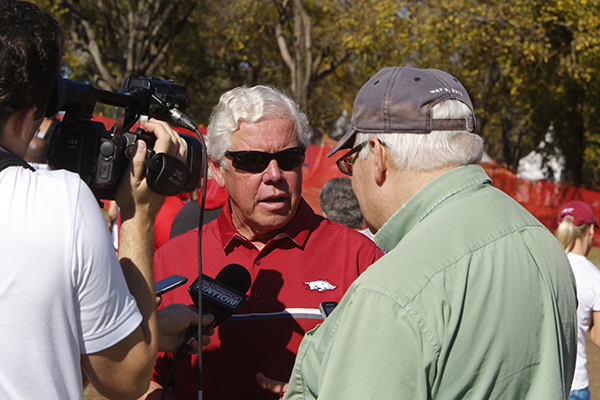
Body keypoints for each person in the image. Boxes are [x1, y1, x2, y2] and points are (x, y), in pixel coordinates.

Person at [284, 66, 578, 399]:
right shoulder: (541, 240)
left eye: (352, 160)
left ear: (378, 156)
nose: (353, 177)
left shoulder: (393, 291)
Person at [0, 2, 211, 399]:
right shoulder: (59, 202)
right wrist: (138, 216)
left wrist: (139, 328)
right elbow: (126, 379)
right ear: (26, 115)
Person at [142, 85, 383, 400]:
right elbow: (136, 378)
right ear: (217, 168)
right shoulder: (171, 259)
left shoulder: (360, 258)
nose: (274, 174)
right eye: (252, 160)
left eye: (289, 158)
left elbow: (393, 374)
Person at [556, 201, 600, 400]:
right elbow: (598, 337)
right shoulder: (594, 276)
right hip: (575, 384)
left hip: (540, 382)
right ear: (591, 230)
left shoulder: (546, 263)